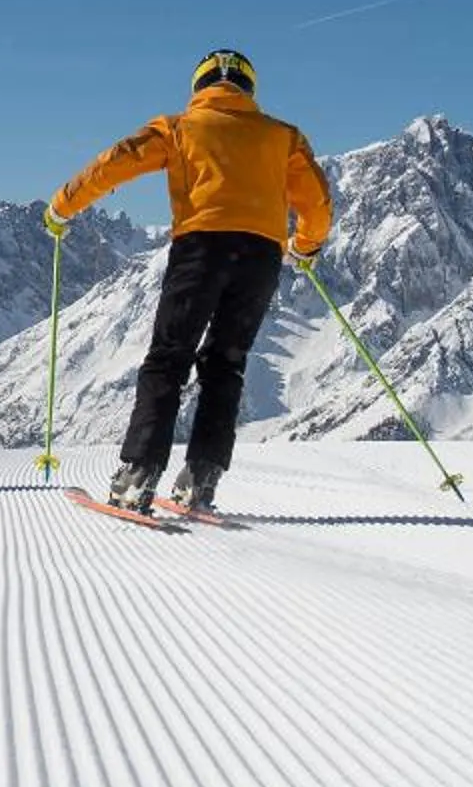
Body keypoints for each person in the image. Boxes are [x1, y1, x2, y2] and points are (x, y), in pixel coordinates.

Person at [46, 48, 333, 514]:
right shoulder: (283, 137)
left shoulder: (179, 128)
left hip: (201, 248)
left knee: (169, 358)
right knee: (226, 364)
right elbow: (317, 199)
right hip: (261, 255)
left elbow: (115, 162)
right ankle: (201, 480)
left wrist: (63, 205)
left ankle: (137, 475)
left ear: (199, 86)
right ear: (249, 88)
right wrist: (305, 245)